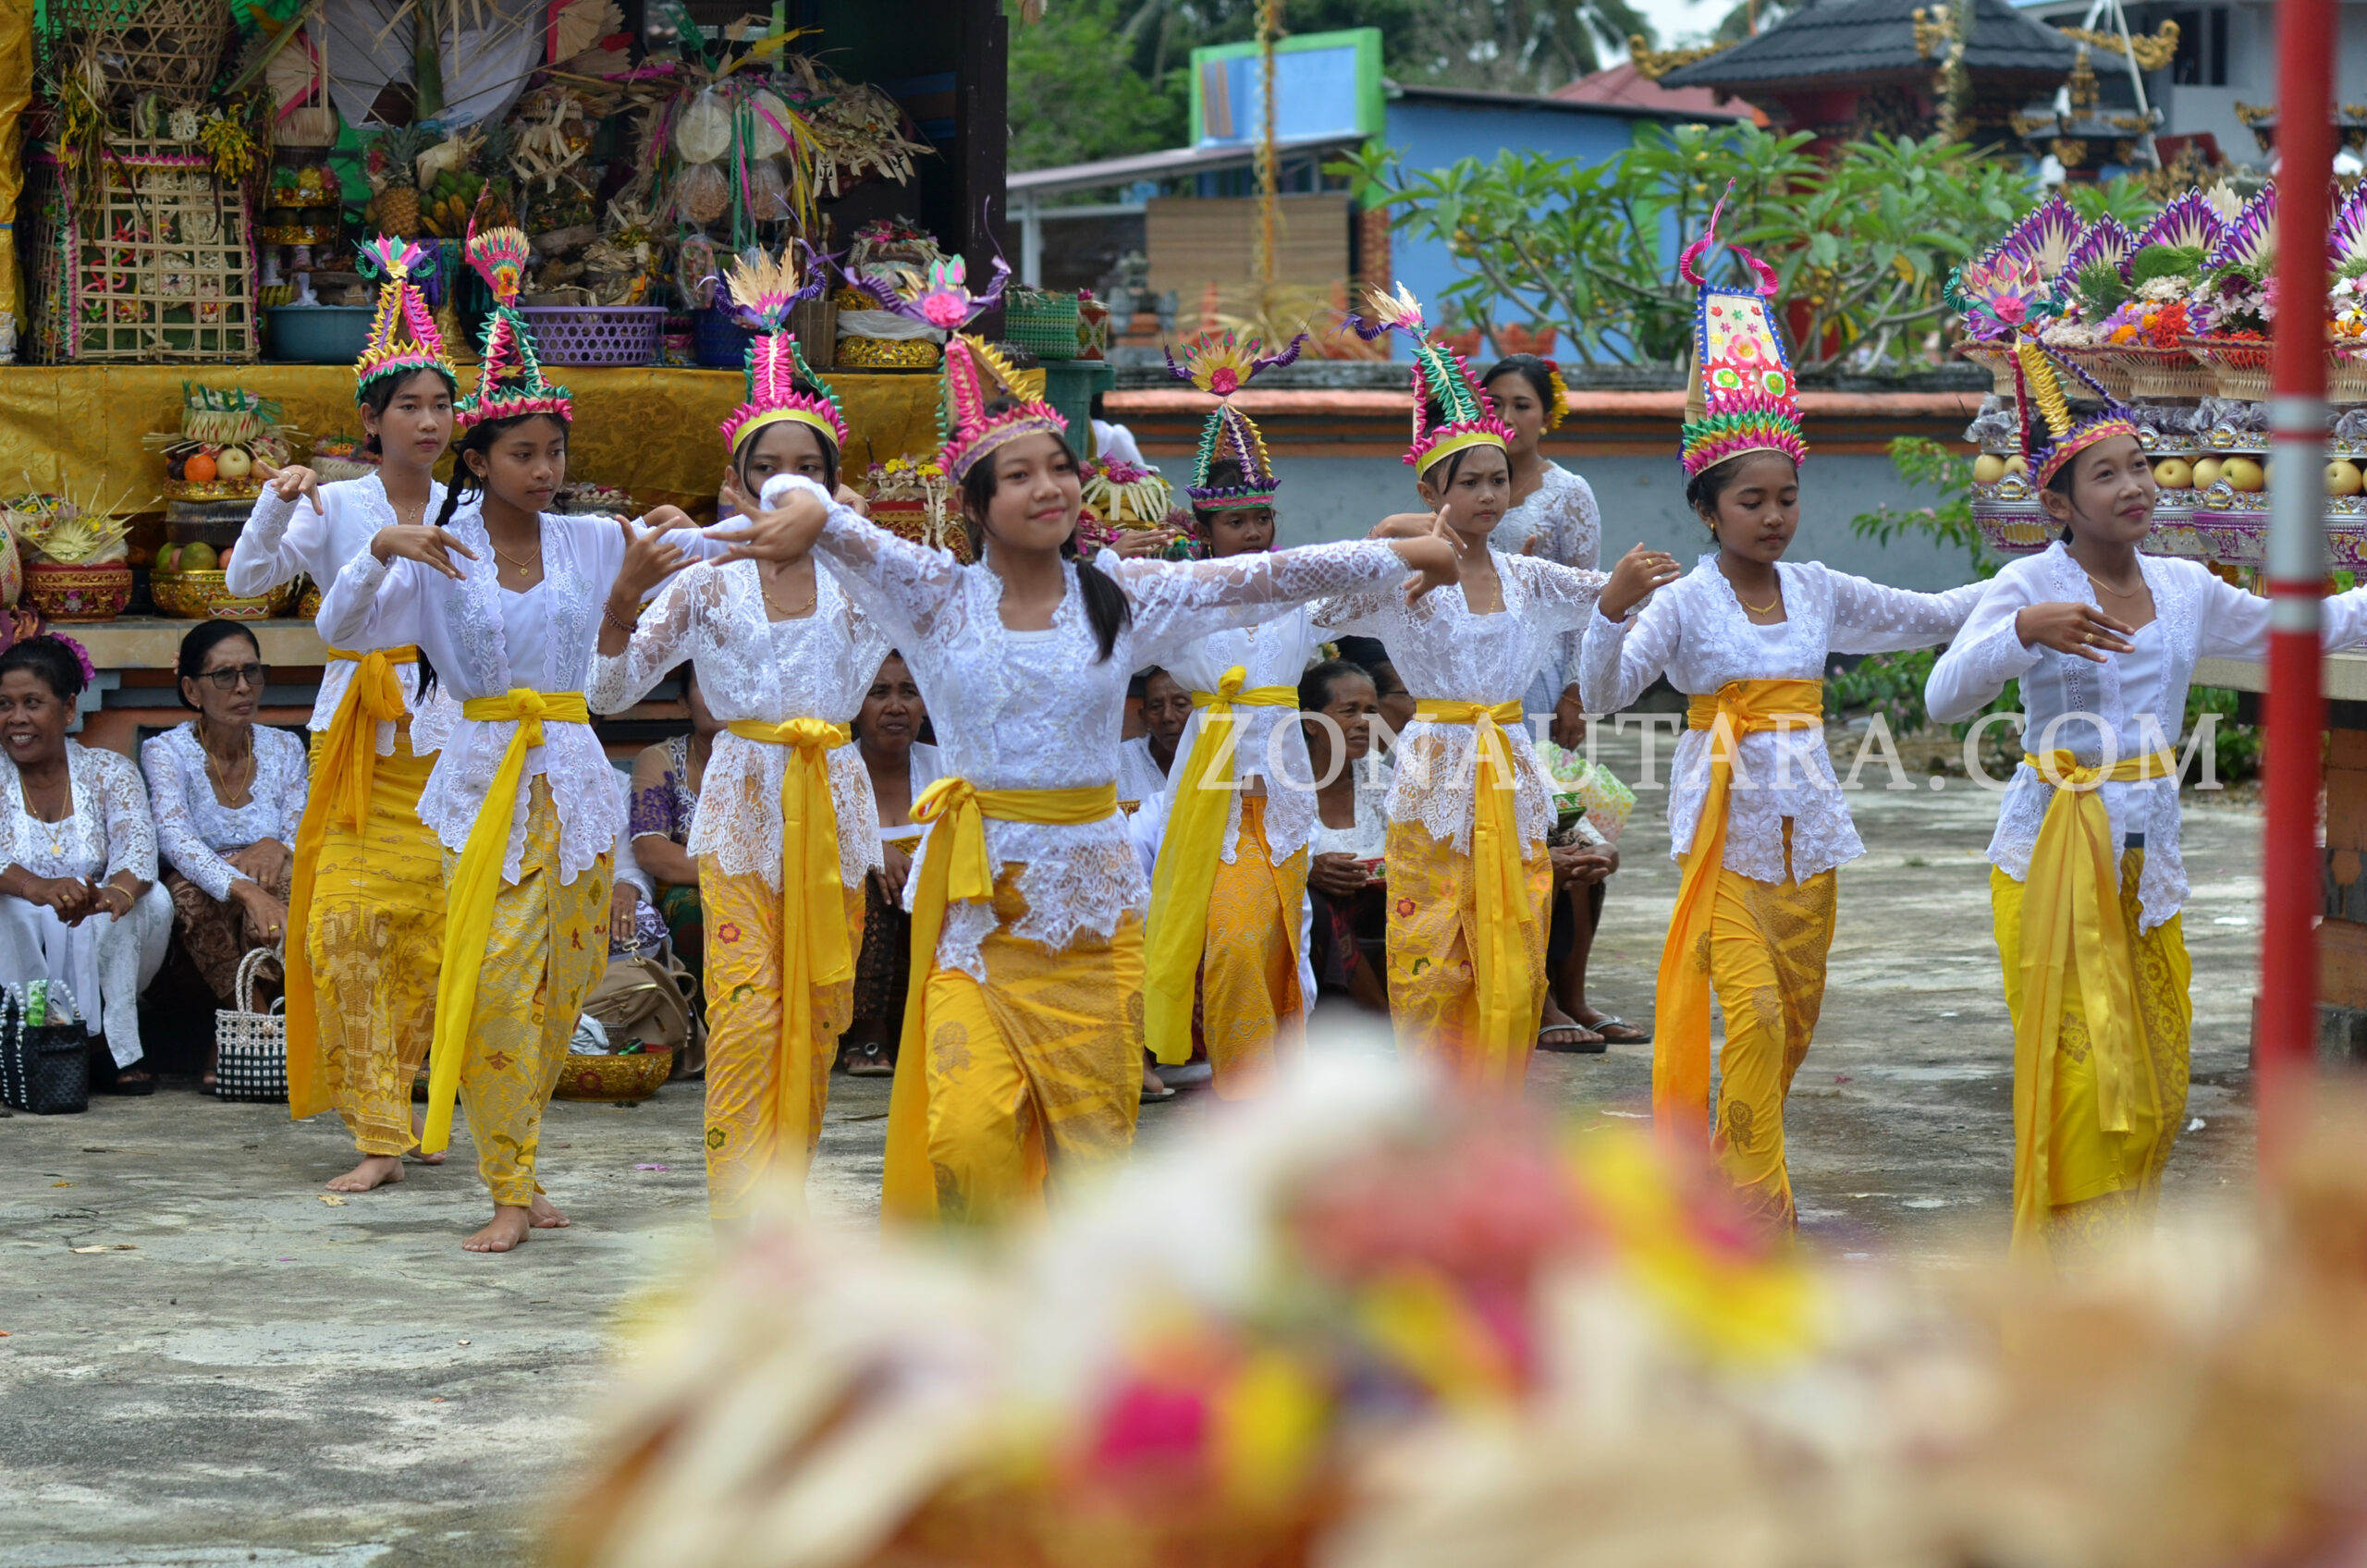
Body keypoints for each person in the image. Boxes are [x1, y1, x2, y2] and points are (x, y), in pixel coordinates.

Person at [727, 315, 1458, 1225]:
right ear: (975, 502)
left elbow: (1271, 574)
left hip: (1094, 922)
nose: (1050, 486)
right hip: (979, 920)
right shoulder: (935, 596)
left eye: (1061, 467)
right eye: (1021, 474)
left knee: (1093, 1160)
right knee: (968, 1137)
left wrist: (1405, 551)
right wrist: (804, 499)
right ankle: (988, 1300)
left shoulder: (1122, 595)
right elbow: (817, 506)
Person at [314, 216, 748, 1253]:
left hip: (576, 782)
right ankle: (507, 1185)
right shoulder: (434, 543)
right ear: (479, 455)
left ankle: (524, 1158)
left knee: (556, 991)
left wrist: (729, 522)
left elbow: (691, 559)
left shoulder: (593, 539)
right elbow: (336, 630)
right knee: (500, 982)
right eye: (523, 452)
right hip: (479, 779)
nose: (545, 468)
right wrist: (379, 547)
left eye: (555, 450)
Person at [1577, 199, 1983, 1230]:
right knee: (1749, 1012)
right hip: (1723, 837)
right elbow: (1606, 693)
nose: (1772, 516)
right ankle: (1755, 1205)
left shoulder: (1818, 589)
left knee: (1791, 1022)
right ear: (1706, 509)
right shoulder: (1680, 598)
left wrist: (2035, 581)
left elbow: (1931, 614)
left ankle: (1734, 1152)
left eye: (1785, 498)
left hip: (1811, 840)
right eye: (1750, 501)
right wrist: (1606, 611)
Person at [1925, 344, 2367, 1259]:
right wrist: (2020, 632)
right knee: (2086, 1080)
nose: (2133, 486)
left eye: (2137, 465)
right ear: (2056, 502)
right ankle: (2069, 1276)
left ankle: (2121, 1269)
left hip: (2147, 866)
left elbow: (2306, 627)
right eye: (2105, 473)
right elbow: (1942, 698)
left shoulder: (2183, 586)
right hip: (2051, 854)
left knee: (2157, 1085)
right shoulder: (2028, 585)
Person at [590, 248, 889, 1220]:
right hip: (743, 806)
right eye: (771, 469)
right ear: (737, 479)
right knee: (752, 1012)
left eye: (810, 469)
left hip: (832, 801)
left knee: (818, 1018)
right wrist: (624, 596)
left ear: (839, 485)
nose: (789, 483)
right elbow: (610, 688)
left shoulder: (867, 578)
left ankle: (787, 1204)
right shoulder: (704, 579)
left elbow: (949, 600)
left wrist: (856, 528)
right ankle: (736, 1213)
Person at [1316, 285, 1609, 1092]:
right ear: (1433, 490)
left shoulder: (1526, 573)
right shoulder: (1405, 569)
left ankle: (1501, 1105)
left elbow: (1599, 594)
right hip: (1436, 771)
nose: (1487, 495)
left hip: (1511, 763)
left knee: (1513, 952)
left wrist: (1625, 597)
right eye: (1468, 482)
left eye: (1496, 480)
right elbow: (1326, 602)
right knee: (1433, 955)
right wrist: (1398, 541)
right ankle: (1434, 1110)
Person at [231, 235, 456, 1190]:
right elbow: (246, 581)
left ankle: (419, 1108)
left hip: (448, 739)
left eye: (443, 404)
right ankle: (375, 1131)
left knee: (439, 934)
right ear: (371, 420)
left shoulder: (471, 507)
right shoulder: (337, 504)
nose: (430, 419)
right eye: (409, 404)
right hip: (359, 737)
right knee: (346, 933)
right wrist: (275, 506)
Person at [1137, 330, 1329, 1097]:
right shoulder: (1184, 597)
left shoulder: (1298, 593)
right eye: (1236, 522)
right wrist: (1131, 553)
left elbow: (1377, 575)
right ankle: (1245, 1091)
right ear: (1204, 527)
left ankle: (1275, 1086)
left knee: (1283, 937)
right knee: (1233, 940)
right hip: (1210, 795)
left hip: (1280, 790)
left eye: (1262, 519)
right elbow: (1103, 607)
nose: (1253, 534)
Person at [1479, 351, 1636, 1049]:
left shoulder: (1568, 492)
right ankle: (1528, 996)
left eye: (1522, 404)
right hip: (1476, 678)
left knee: (1567, 829)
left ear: (1548, 413)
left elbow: (1589, 597)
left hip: (1544, 677)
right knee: (1499, 834)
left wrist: (1576, 689)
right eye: (1497, 404)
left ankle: (1568, 991)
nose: (1508, 418)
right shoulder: (1459, 479)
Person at [141, 624, 309, 1084]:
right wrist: (247, 892)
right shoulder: (165, 751)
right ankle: (255, 1022)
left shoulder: (285, 747)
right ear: (192, 690)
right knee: (196, 898)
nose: (243, 687)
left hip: (276, 873)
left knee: (294, 887)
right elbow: (175, 838)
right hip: (203, 879)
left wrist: (277, 846)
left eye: (252, 672)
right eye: (225, 676)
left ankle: (238, 1042)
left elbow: (301, 825)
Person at [0, 637, 170, 1088]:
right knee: (12, 908)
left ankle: (110, 1046)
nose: (16, 718)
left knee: (150, 902)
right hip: (21, 916)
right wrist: (35, 887)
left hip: (91, 920)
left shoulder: (109, 770)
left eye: (32, 703)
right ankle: (32, 1039)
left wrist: (111, 894)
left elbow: (137, 847)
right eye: (4, 704)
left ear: (68, 708)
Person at [844, 651, 939, 1078]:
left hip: (927, 911)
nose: (896, 706)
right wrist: (869, 851)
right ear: (854, 707)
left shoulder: (945, 769)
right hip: (854, 923)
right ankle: (869, 1031)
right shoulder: (830, 769)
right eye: (879, 693)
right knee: (869, 883)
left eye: (909, 693)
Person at [1300, 657, 1391, 1013]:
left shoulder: (1383, 782)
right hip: (1319, 929)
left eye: (1371, 711)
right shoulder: (1283, 788)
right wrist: (1308, 868)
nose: (1363, 724)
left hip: (1381, 911)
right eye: (1349, 711)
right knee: (1317, 903)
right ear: (1311, 723)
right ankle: (1383, 1018)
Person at [626, 666, 717, 981]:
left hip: (764, 889)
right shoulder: (661, 760)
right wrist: (740, 881)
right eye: (708, 683)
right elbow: (652, 852)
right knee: (690, 903)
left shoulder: (772, 760)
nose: (721, 692)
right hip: (692, 895)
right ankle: (696, 1022)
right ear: (683, 703)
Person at [1119, 668, 1188, 810]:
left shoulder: (1220, 760)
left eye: (1180, 705)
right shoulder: (1119, 762)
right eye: (1156, 707)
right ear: (1143, 716)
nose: (1167, 716)